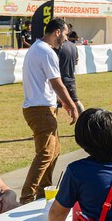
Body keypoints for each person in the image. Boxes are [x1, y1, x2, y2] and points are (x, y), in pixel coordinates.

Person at [20, 18, 79, 203]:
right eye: (66, 34)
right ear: (57, 32)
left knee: (53, 151)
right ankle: (27, 198)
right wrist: (72, 105)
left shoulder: (37, 48)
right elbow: (57, 84)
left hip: (41, 108)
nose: (66, 38)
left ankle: (43, 194)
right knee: (46, 153)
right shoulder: (47, 51)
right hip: (40, 109)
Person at [56, 32, 85, 113]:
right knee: (76, 101)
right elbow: (76, 62)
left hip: (59, 80)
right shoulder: (73, 46)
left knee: (54, 103)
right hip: (70, 79)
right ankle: (84, 119)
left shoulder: (58, 47)